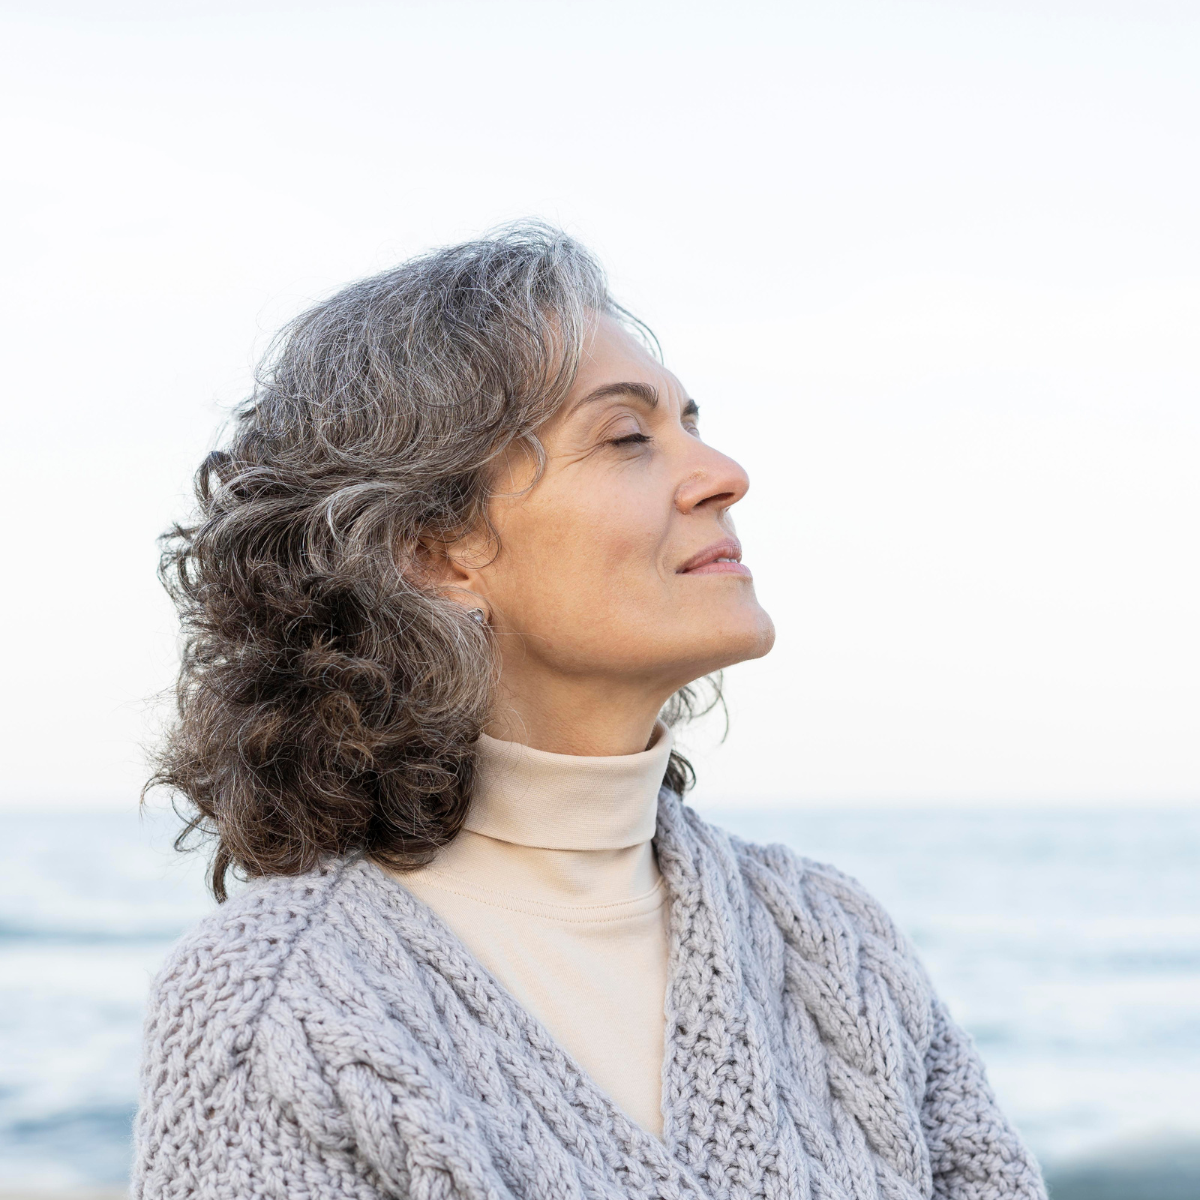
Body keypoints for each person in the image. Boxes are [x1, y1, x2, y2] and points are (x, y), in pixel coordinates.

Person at [135, 224, 1046, 1200]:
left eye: (692, 422)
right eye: (627, 438)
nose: (723, 472)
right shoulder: (279, 1011)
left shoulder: (833, 940)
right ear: (433, 552)